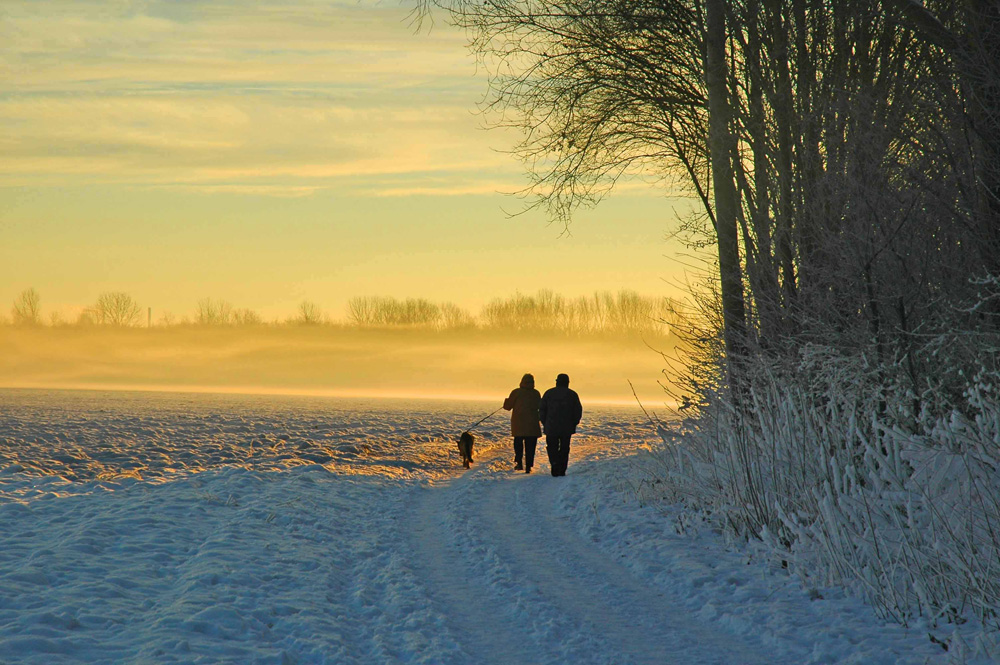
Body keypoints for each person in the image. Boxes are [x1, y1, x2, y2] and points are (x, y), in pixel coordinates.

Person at [539, 373, 582, 477]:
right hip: (566, 428)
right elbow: (578, 411)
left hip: (551, 426)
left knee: (552, 447)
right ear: (567, 383)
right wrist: (574, 423)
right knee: (564, 448)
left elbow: (542, 410)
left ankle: (554, 464)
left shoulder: (549, 393)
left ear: (557, 382)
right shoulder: (572, 394)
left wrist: (545, 422)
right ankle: (562, 469)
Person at [502, 373, 542, 473]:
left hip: (518, 424)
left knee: (518, 444)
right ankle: (529, 465)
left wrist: (507, 400)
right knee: (531, 446)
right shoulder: (536, 393)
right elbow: (540, 407)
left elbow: (507, 407)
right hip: (532, 425)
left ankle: (519, 463)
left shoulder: (516, 392)